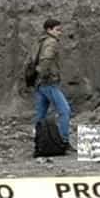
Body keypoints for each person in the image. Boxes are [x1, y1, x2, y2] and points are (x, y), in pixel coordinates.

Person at [32, 18, 72, 147]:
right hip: (48, 83)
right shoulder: (51, 42)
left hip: (39, 84)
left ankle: (39, 143)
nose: (60, 32)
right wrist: (44, 75)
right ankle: (63, 141)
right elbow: (46, 59)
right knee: (65, 111)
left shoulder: (40, 41)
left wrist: (38, 77)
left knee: (40, 116)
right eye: (58, 30)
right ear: (49, 30)